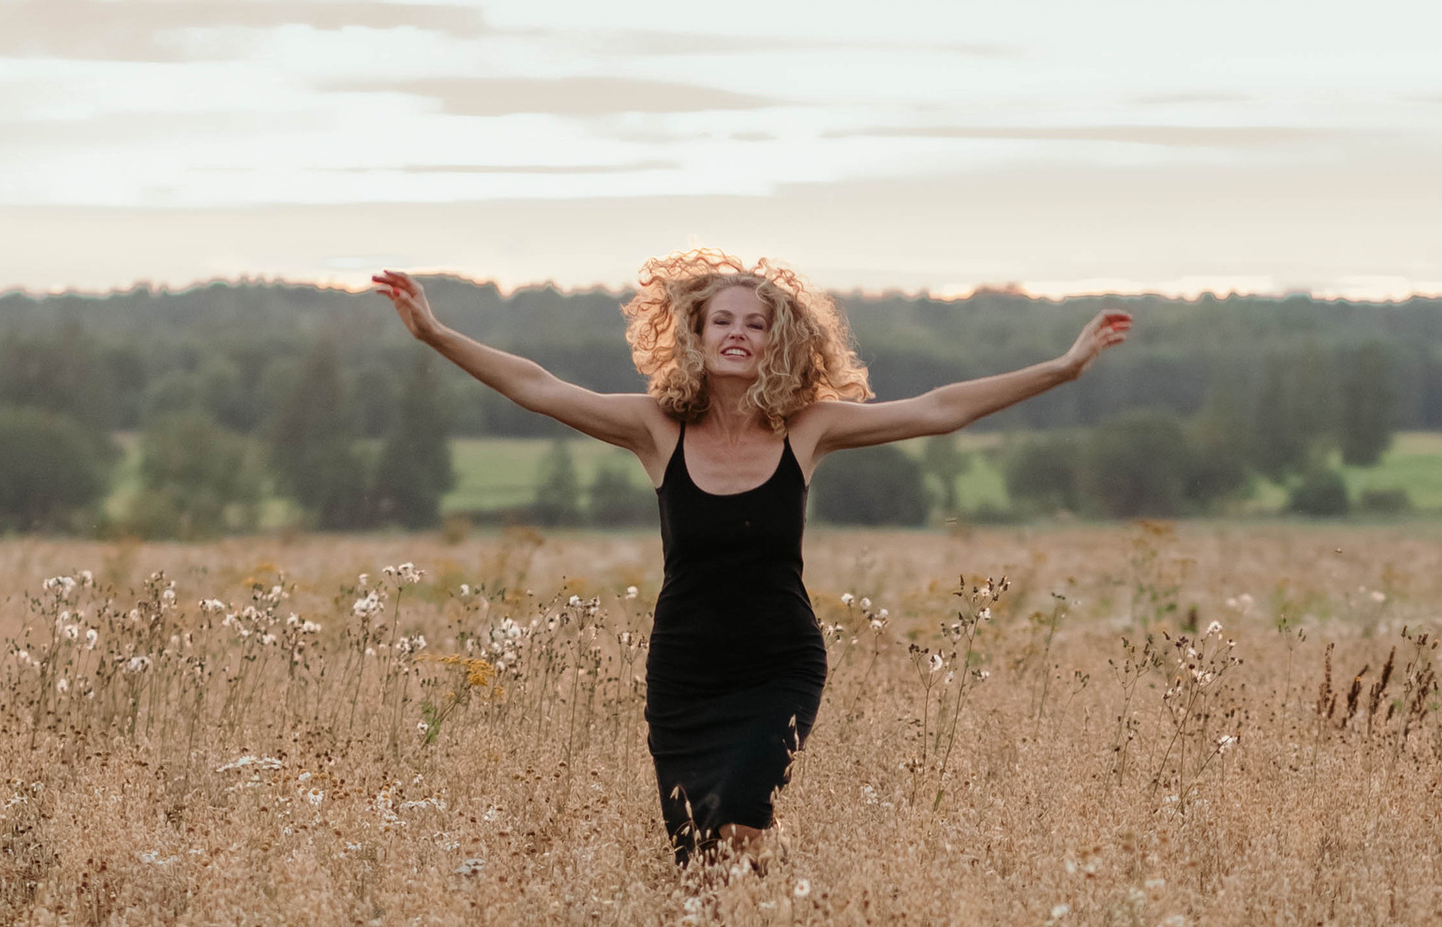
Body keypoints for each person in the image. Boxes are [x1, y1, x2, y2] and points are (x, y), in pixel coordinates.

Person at [369, 252, 1130, 861]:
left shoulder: (807, 429)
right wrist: (435, 333)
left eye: (756, 323)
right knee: (697, 851)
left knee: (741, 817)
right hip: (685, 673)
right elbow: (535, 386)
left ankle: (766, 915)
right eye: (720, 320)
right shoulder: (654, 429)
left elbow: (939, 408)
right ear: (694, 335)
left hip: (778, 665)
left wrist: (1062, 369)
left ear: (779, 341)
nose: (737, 332)